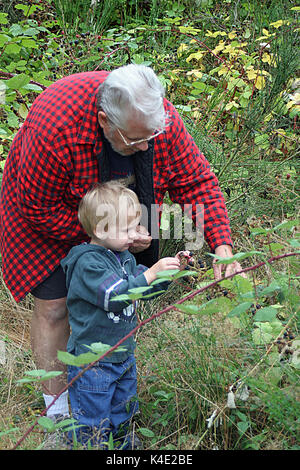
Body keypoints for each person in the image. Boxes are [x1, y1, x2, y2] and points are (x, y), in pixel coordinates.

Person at [0, 64, 243, 423]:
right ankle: (58, 408)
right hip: (54, 213)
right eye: (136, 140)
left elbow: (195, 182)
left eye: (151, 136)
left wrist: (221, 243)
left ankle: (103, 379)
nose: (146, 145)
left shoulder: (157, 121)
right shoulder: (53, 128)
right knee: (55, 307)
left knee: (114, 299)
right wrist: (106, 238)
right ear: (104, 121)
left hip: (120, 214)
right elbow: (38, 208)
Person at [61, 181, 188, 449]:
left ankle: (122, 447)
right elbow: (115, 296)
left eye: (136, 226)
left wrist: (166, 273)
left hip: (122, 354)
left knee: (124, 410)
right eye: (127, 229)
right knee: (92, 421)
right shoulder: (88, 263)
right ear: (100, 229)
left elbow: (140, 289)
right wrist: (151, 272)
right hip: (93, 361)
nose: (135, 235)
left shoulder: (124, 257)